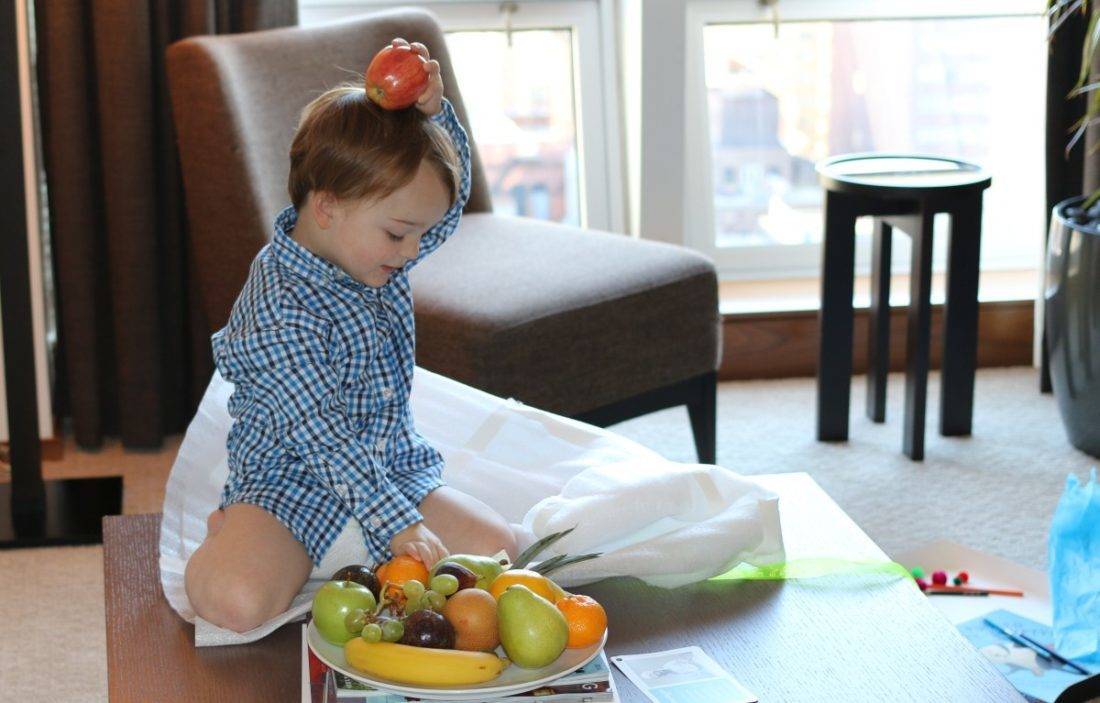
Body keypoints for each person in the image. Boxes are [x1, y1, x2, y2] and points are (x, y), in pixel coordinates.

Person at [184, 39, 518, 634]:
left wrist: (436, 118)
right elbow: (322, 434)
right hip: (294, 476)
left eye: (419, 234)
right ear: (327, 207)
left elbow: (442, 206)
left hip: (391, 464)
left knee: (497, 551)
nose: (414, 251)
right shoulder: (277, 305)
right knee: (235, 603)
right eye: (399, 234)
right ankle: (236, 534)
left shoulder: (376, 249)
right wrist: (399, 524)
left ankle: (353, 554)